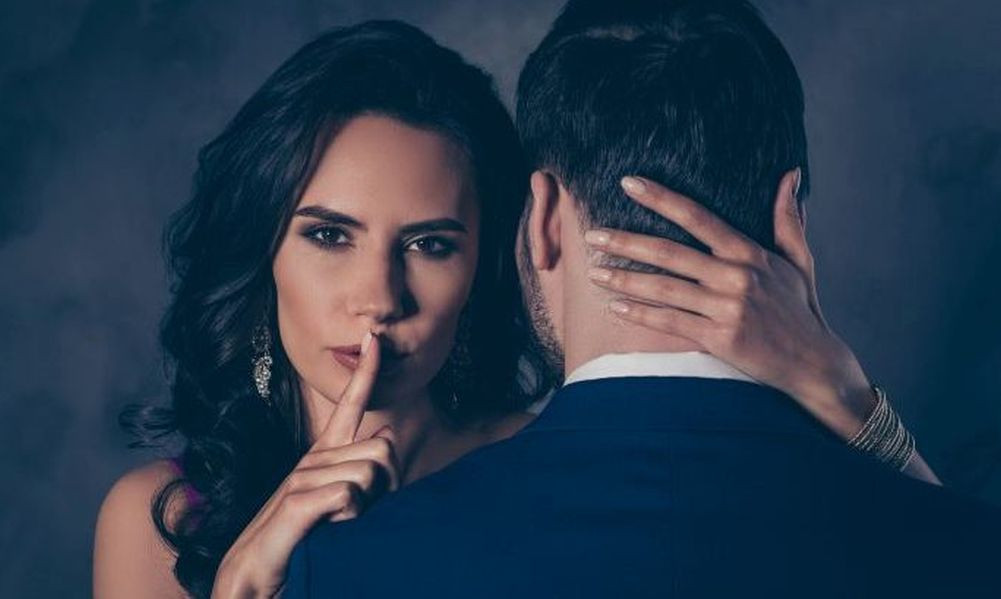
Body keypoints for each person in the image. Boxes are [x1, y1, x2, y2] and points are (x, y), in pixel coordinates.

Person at [95, 15, 937, 599]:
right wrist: (242, 585)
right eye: (328, 235)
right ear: (263, 249)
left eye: (430, 244)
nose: (378, 298)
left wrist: (844, 395)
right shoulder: (160, 517)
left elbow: (946, 552)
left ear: (502, 253)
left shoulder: (554, 468)